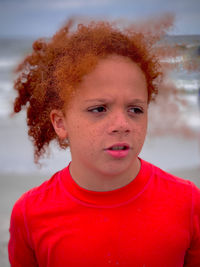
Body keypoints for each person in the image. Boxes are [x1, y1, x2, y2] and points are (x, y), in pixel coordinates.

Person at [8, 18, 200, 267]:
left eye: (135, 109)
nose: (122, 123)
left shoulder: (188, 203)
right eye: (99, 108)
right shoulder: (30, 214)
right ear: (60, 123)